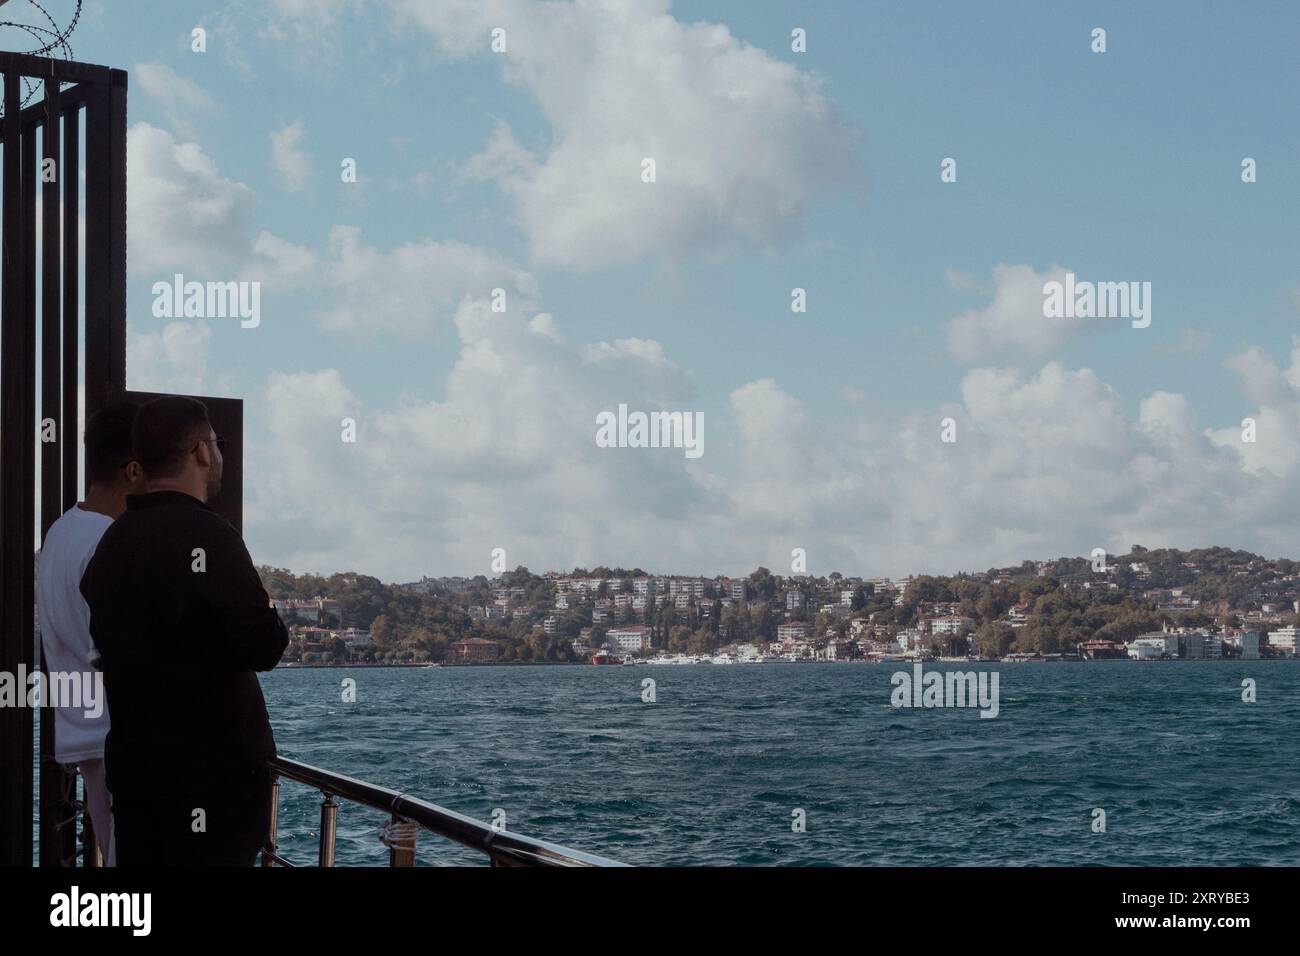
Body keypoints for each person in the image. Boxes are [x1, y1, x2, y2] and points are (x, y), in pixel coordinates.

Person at [81, 396, 288, 866]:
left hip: (139, 783)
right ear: (199, 450)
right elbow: (265, 645)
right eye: (216, 444)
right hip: (213, 787)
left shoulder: (111, 545)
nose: (217, 454)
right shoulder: (211, 536)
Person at [36, 401, 147, 866]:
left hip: (86, 734)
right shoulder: (108, 541)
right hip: (119, 737)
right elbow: (119, 651)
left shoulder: (60, 533)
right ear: (134, 470)